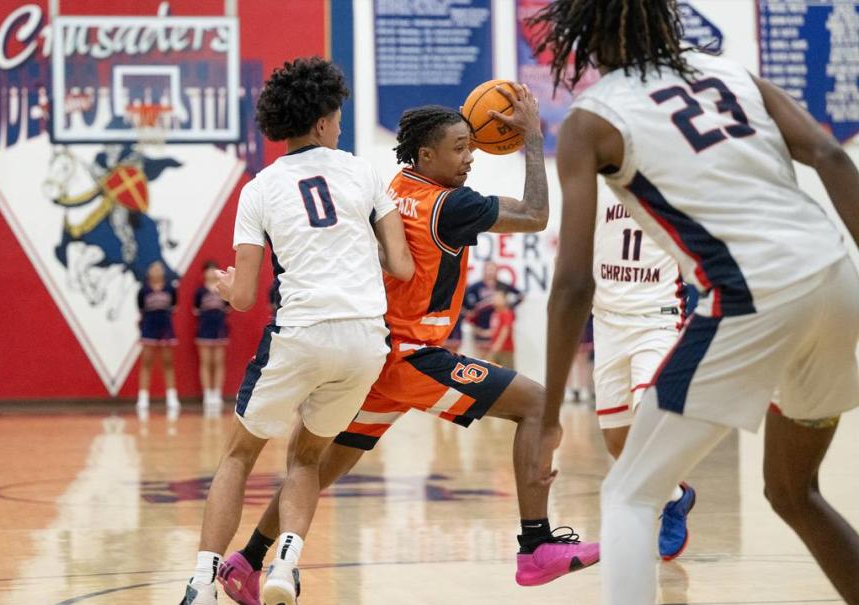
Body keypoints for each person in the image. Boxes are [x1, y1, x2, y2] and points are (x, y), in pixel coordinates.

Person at [531, 1, 859, 604]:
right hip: (836, 280)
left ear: (589, 34)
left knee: (629, 493)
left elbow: (573, 284)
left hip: (750, 297)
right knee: (794, 493)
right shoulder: (733, 74)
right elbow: (833, 157)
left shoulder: (593, 118)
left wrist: (549, 415)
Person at [217, 97, 599, 605]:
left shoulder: (399, 187)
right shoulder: (452, 206)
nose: (470, 158)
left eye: (471, 147)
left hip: (376, 356)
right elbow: (535, 214)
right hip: (411, 357)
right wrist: (533, 137)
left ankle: (247, 560)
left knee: (319, 469)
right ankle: (535, 546)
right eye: (459, 148)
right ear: (424, 153)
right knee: (535, 404)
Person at [180, 56, 414, 605]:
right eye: (336, 116)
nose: (340, 124)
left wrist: (225, 285)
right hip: (364, 339)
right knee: (306, 457)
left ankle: (201, 583)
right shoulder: (363, 171)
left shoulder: (259, 188)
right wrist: (361, 248)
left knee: (239, 455)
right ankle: (285, 564)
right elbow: (401, 267)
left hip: (302, 331)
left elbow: (242, 298)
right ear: (320, 123)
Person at [590, 196, 696, 561]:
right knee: (617, 442)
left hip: (657, 317)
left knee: (649, 417)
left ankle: (648, 507)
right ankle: (677, 497)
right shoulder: (592, 173)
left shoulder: (672, 176)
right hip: (607, 321)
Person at [136, 260, 180, 420]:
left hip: (166, 329)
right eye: (153, 267)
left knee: (168, 362)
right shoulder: (143, 290)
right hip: (149, 328)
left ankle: (172, 397)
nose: (156, 270)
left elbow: (174, 306)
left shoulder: (170, 289)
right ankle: (143, 398)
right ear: (149, 272)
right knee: (146, 362)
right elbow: (141, 309)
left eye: (159, 268)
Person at [464, 261, 524, 358]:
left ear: (497, 271)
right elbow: (463, 298)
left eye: (492, 269)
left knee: (496, 359)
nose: (490, 272)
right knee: (482, 359)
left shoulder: (502, 285)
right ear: (483, 271)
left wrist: (509, 307)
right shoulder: (476, 286)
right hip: (481, 327)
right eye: (488, 269)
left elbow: (520, 295)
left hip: (498, 328)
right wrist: (469, 311)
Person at [194, 260, 230, 414]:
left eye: (213, 269)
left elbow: (229, 308)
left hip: (220, 329)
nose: (210, 272)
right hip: (204, 329)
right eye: (208, 270)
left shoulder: (223, 290)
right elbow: (195, 310)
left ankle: (217, 393)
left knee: (218, 361)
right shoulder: (200, 292)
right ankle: (207, 394)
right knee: (205, 362)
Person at [486, 291, 515, 369]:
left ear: (505, 300)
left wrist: (498, 344)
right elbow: (494, 330)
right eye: (494, 298)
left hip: (505, 348)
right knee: (490, 369)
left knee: (507, 371)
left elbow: (506, 329)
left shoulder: (506, 313)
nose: (496, 300)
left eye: (499, 298)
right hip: (494, 347)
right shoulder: (494, 314)